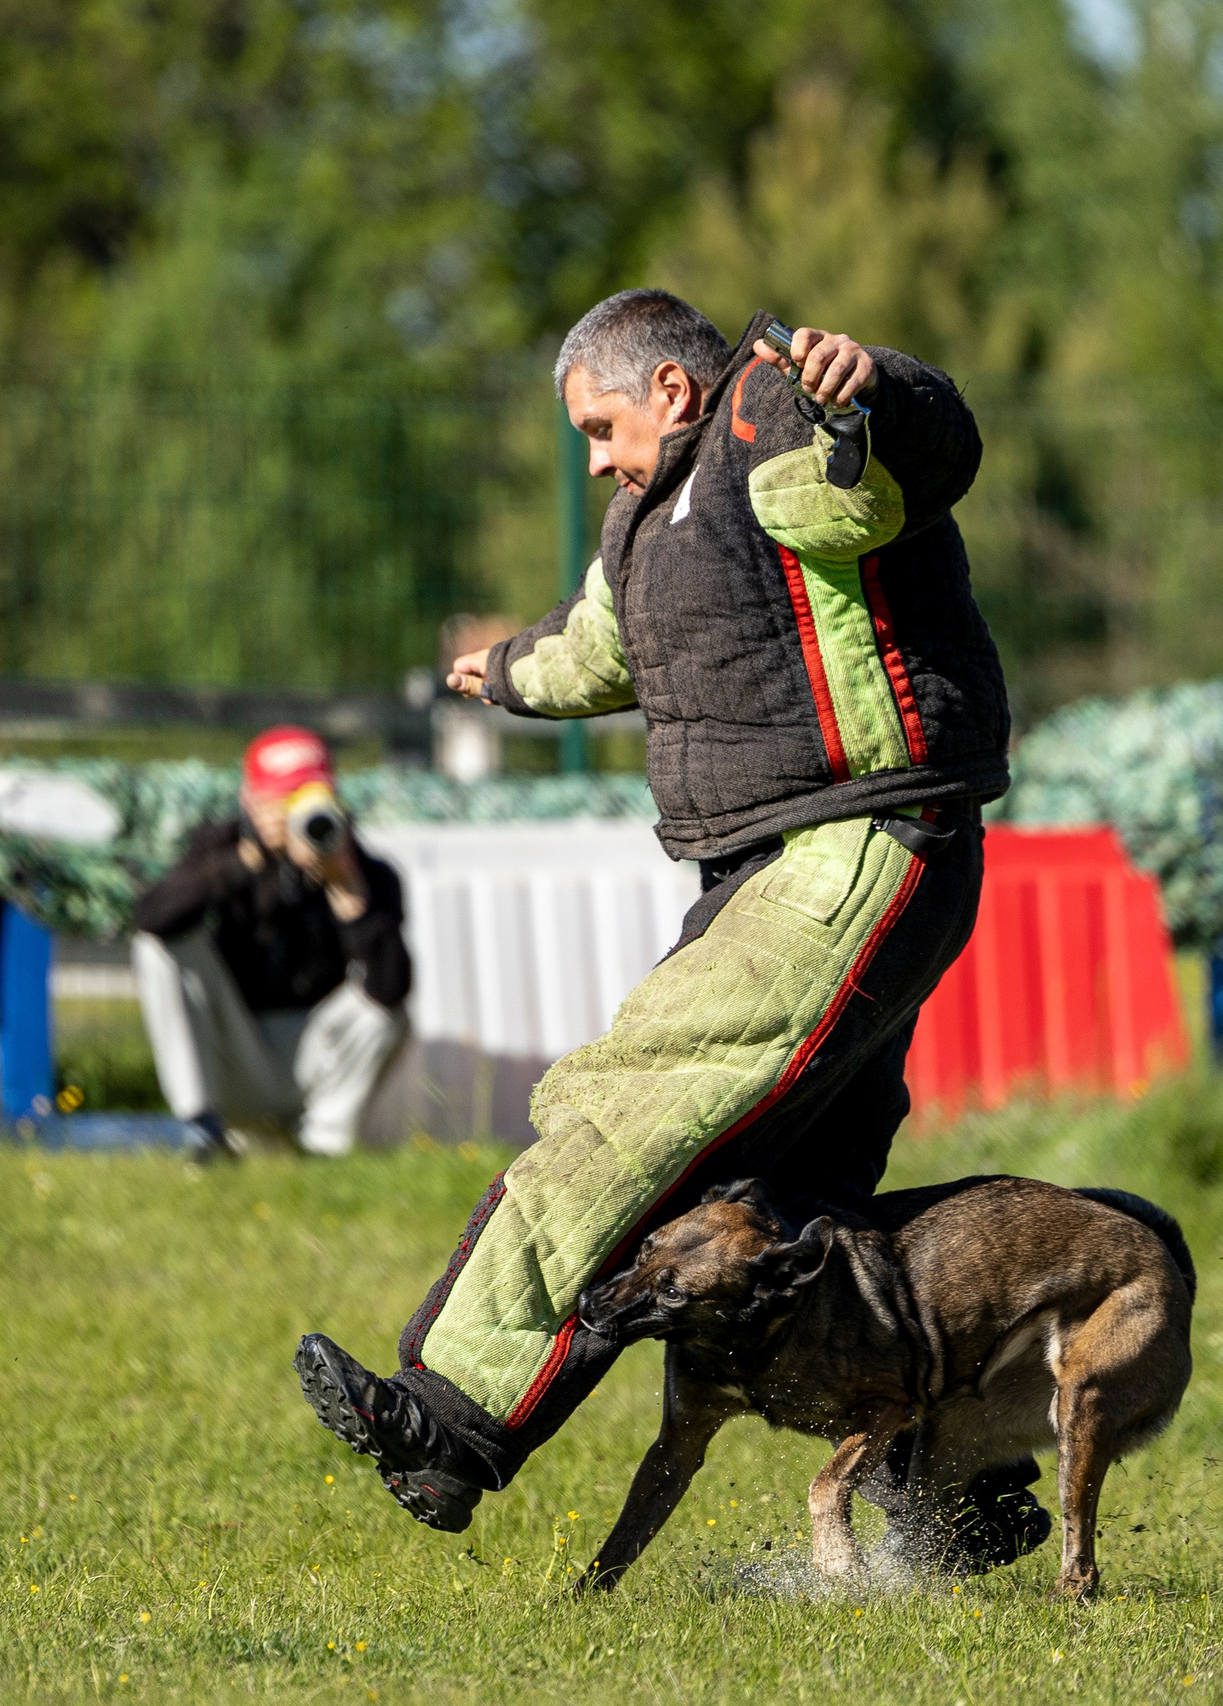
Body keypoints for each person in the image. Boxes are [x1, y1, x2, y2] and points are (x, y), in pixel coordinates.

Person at [294, 289, 1023, 1553]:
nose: (592, 457)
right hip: (796, 866)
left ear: (670, 391)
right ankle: (941, 1476)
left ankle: (451, 1413)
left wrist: (872, 395)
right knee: (776, 1213)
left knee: (624, 1108)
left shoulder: (775, 416)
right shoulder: (648, 515)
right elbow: (600, 647)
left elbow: (887, 479)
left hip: (849, 845)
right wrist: (504, 670)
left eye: (599, 426)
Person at [130, 726, 411, 1161]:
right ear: (249, 799)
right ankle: (203, 1131)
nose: (294, 813)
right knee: (158, 950)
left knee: (388, 1012)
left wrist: (348, 893)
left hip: (315, 1055)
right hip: (234, 1051)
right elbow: (150, 917)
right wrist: (249, 859)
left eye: (306, 797)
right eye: (281, 800)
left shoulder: (365, 870)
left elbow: (392, 992)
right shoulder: (219, 847)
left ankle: (323, 1147)